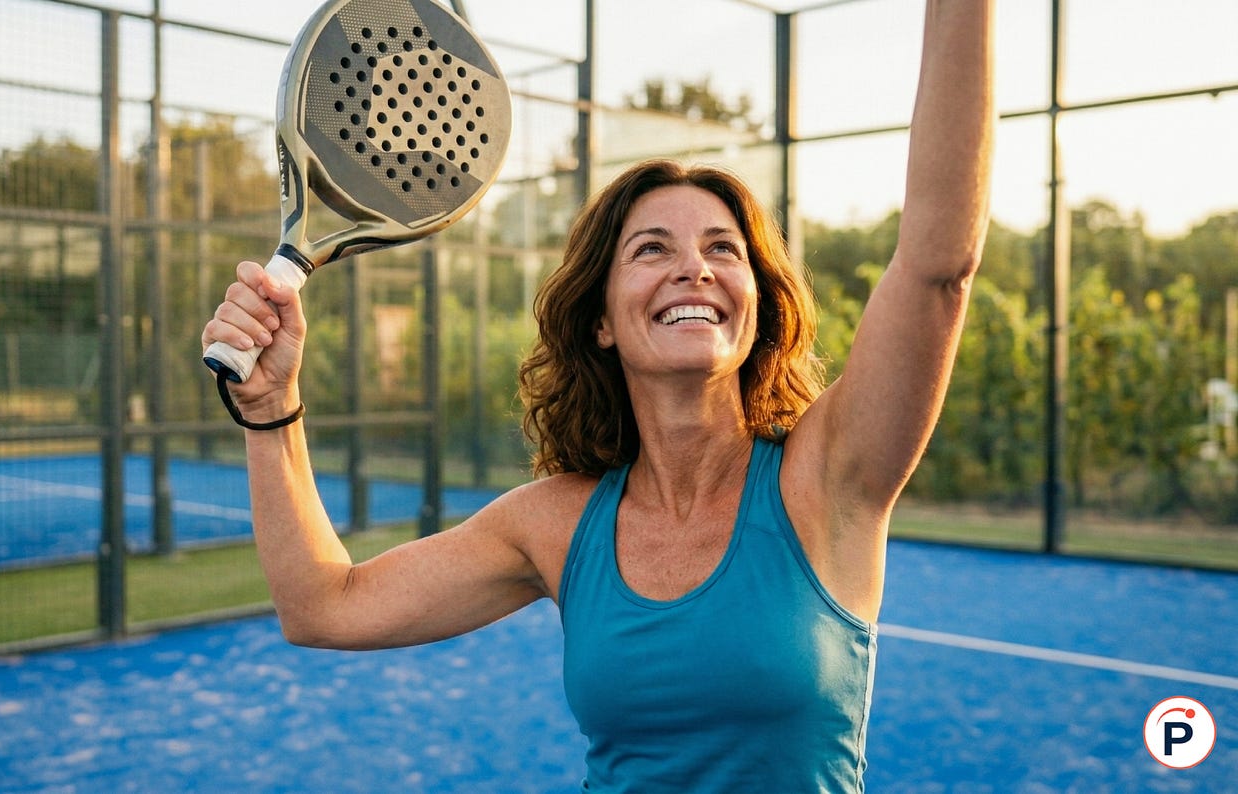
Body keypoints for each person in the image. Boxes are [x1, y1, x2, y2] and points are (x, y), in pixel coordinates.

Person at [200, 0, 993, 788]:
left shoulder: (829, 478)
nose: (697, 268)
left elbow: (938, 264)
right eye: (653, 249)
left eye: (724, 249)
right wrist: (270, 411)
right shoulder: (554, 523)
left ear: (757, 305)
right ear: (604, 319)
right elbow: (324, 607)